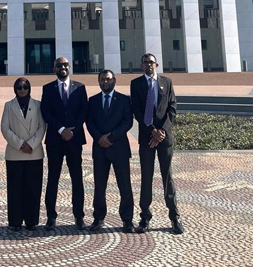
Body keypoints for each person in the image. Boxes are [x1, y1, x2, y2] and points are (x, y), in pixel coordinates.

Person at [130, 53, 184, 235]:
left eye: (151, 62)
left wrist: (161, 131)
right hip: (147, 138)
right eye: (145, 62)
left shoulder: (167, 82)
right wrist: (152, 130)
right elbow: (137, 110)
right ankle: (145, 217)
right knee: (146, 177)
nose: (149, 65)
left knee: (167, 177)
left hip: (164, 138)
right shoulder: (136, 84)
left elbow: (172, 107)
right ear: (141, 66)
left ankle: (174, 217)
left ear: (157, 64)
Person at [40, 56, 88, 231]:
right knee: (53, 178)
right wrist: (61, 130)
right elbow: (46, 112)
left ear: (70, 67)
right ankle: (51, 217)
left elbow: (84, 111)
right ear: (54, 69)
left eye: (65, 64)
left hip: (74, 140)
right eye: (59, 65)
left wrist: (71, 130)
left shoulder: (80, 88)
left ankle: (79, 216)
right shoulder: (48, 88)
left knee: (77, 179)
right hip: (55, 140)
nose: (63, 67)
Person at [86, 69, 135, 233]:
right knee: (99, 186)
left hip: (119, 148)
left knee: (125, 185)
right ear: (98, 81)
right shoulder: (92, 101)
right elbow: (89, 121)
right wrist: (99, 137)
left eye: (108, 79)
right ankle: (98, 218)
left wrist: (111, 137)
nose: (105, 82)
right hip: (100, 148)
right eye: (102, 80)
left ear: (114, 80)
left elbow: (128, 122)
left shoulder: (123, 100)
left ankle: (127, 219)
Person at [0, 77, 46, 231]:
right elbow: (5, 128)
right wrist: (20, 144)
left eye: (25, 87)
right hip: (15, 153)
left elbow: (42, 126)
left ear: (29, 88)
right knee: (15, 189)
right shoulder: (9, 105)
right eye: (19, 87)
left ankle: (32, 221)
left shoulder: (38, 105)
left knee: (33, 188)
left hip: (34, 152)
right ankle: (15, 221)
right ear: (15, 89)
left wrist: (31, 144)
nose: (22, 89)